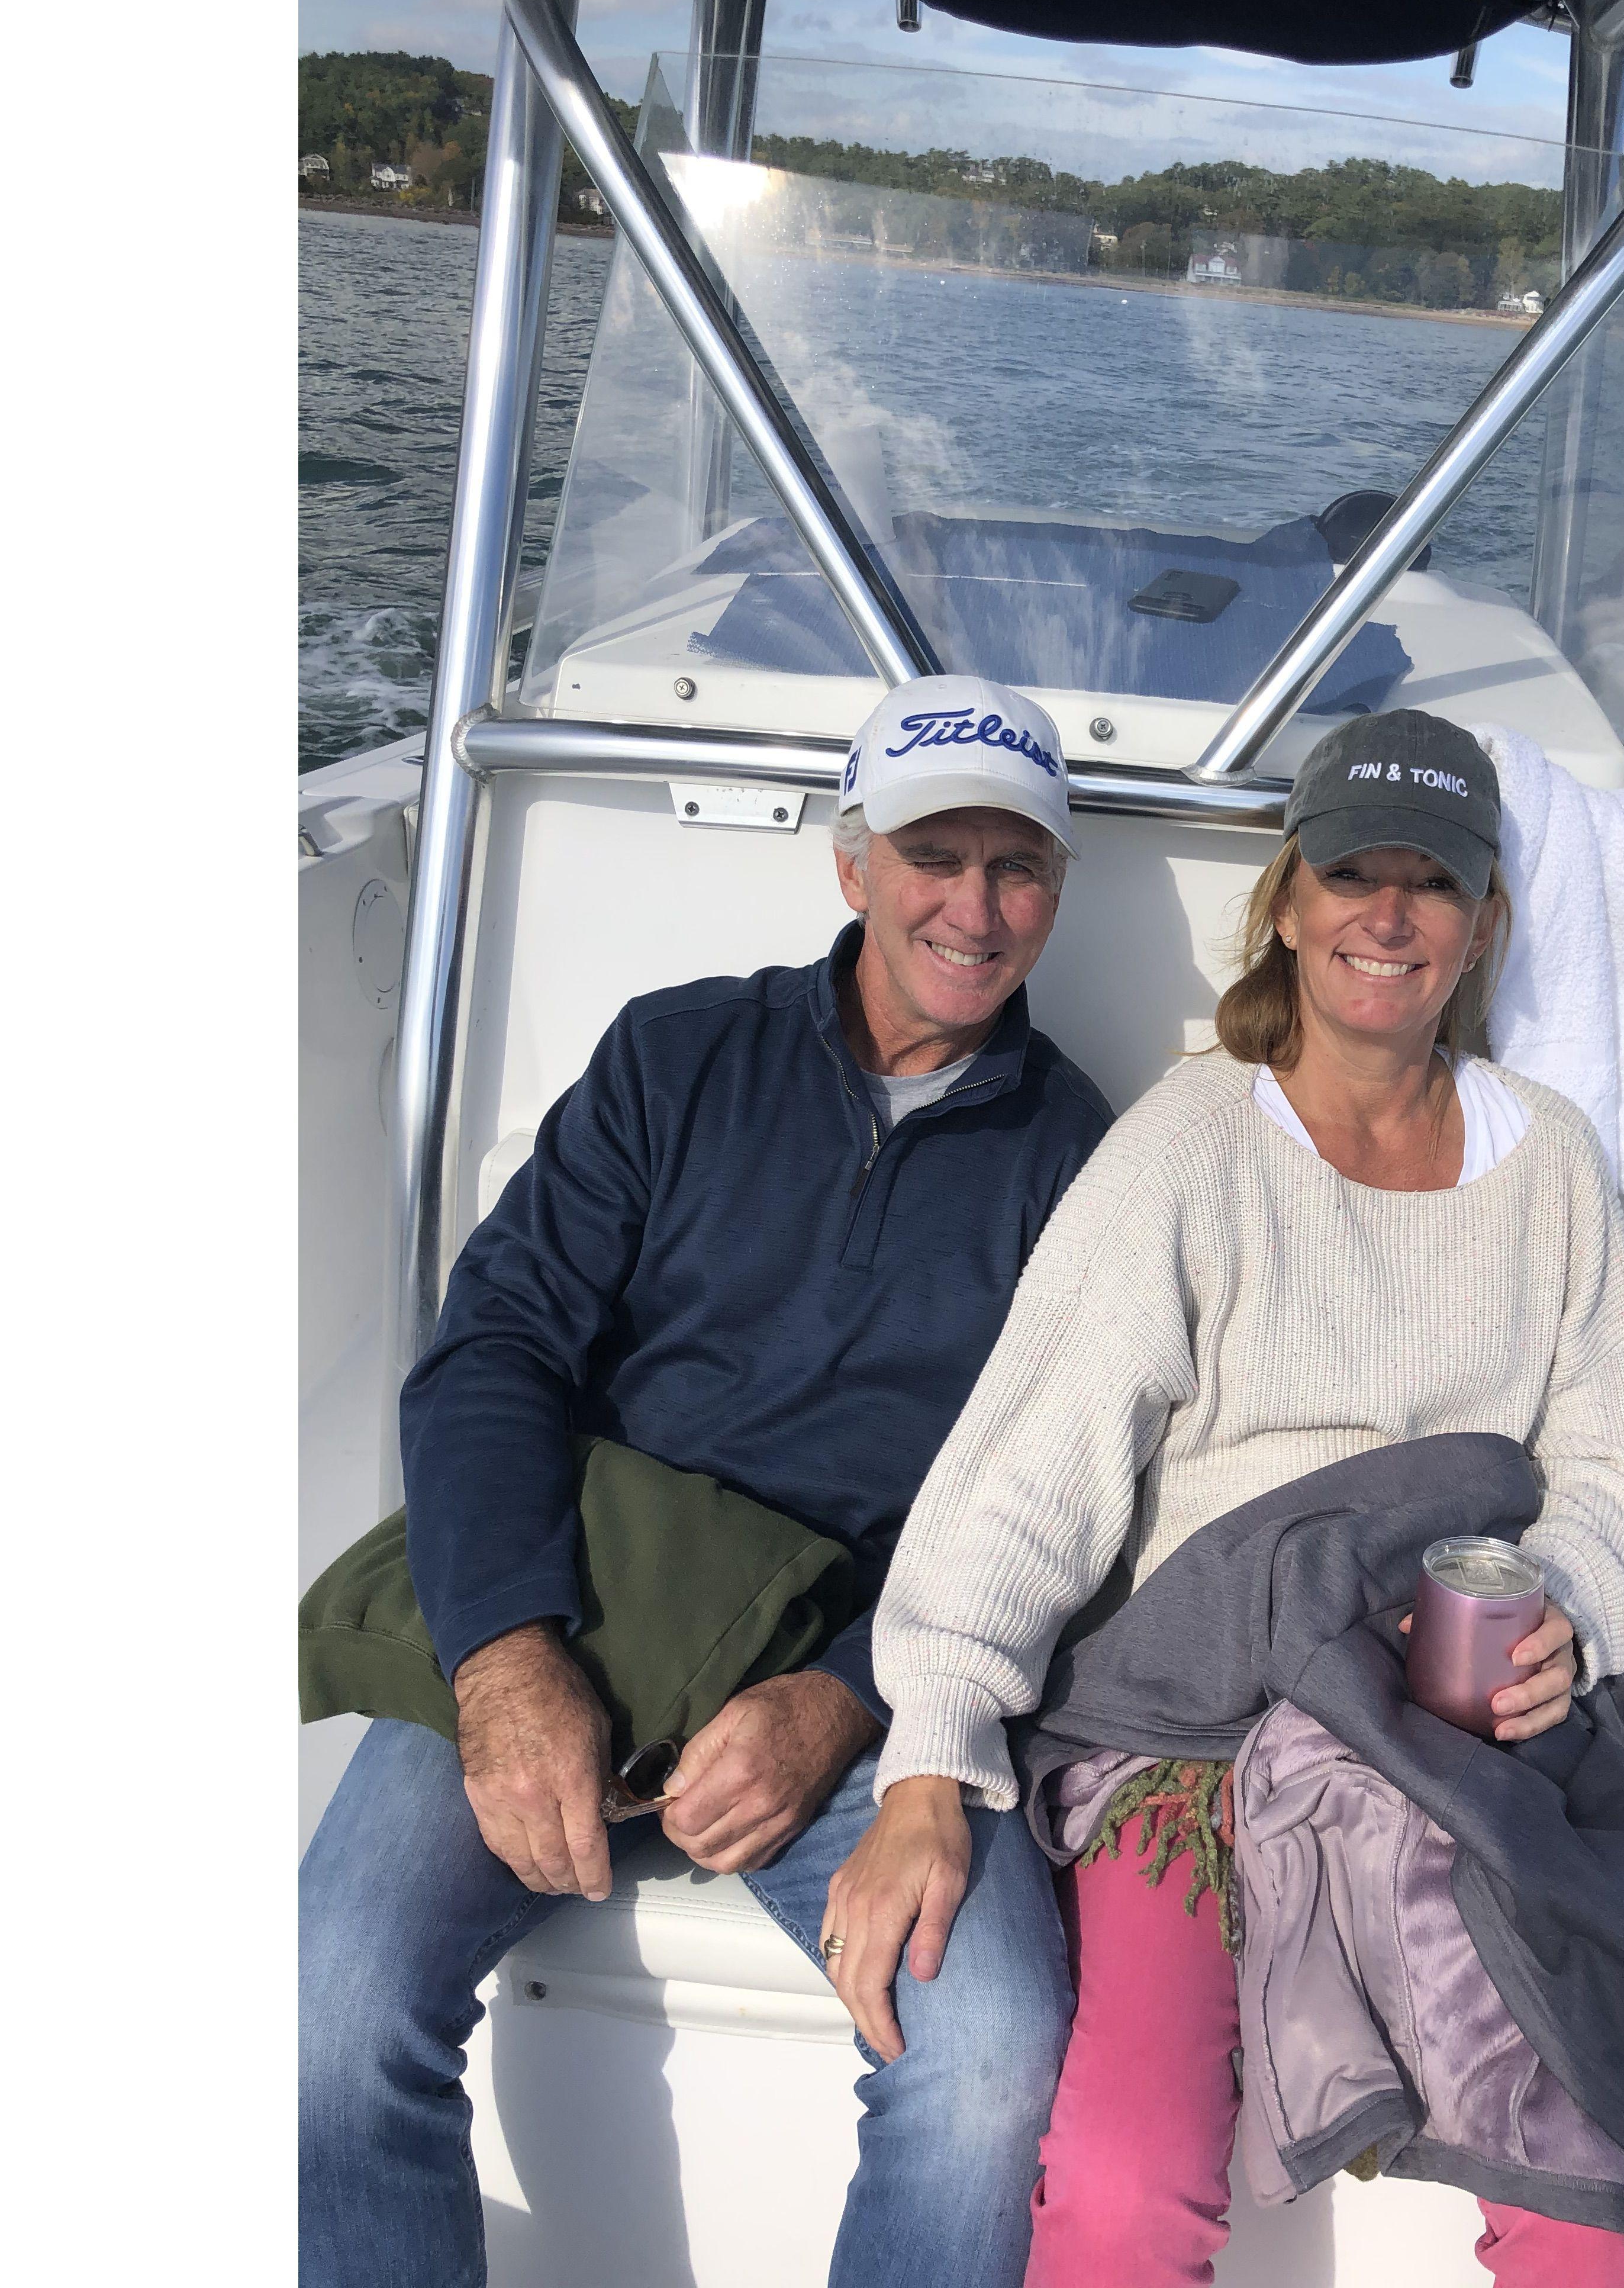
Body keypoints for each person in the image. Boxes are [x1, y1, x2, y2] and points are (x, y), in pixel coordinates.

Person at [826, 712, 1624, 2284]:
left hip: (1449, 1731)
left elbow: (1620, 1460)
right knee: (1124, 2182)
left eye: (1435, 884)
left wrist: (1569, 1605)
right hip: (1194, 1741)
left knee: (1590, 2211)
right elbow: (1035, 1464)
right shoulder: (1188, 1146)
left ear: (1483, 924)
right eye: (1354, 874)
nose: (1390, 916)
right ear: (1289, 902)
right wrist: (932, 1755)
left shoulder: (1553, 1162)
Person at [298, 680, 1113, 2288]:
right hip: (584, 1612)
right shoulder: (677, 1055)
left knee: (990, 2068)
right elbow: (493, 1353)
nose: (974, 908)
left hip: (863, 1672)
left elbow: (1059, 1509)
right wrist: (508, 1656)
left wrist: (842, 1699)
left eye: (1016, 867)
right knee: (324, 2004)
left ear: (1057, 892)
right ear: (853, 865)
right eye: (934, 856)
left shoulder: (1084, 1163)